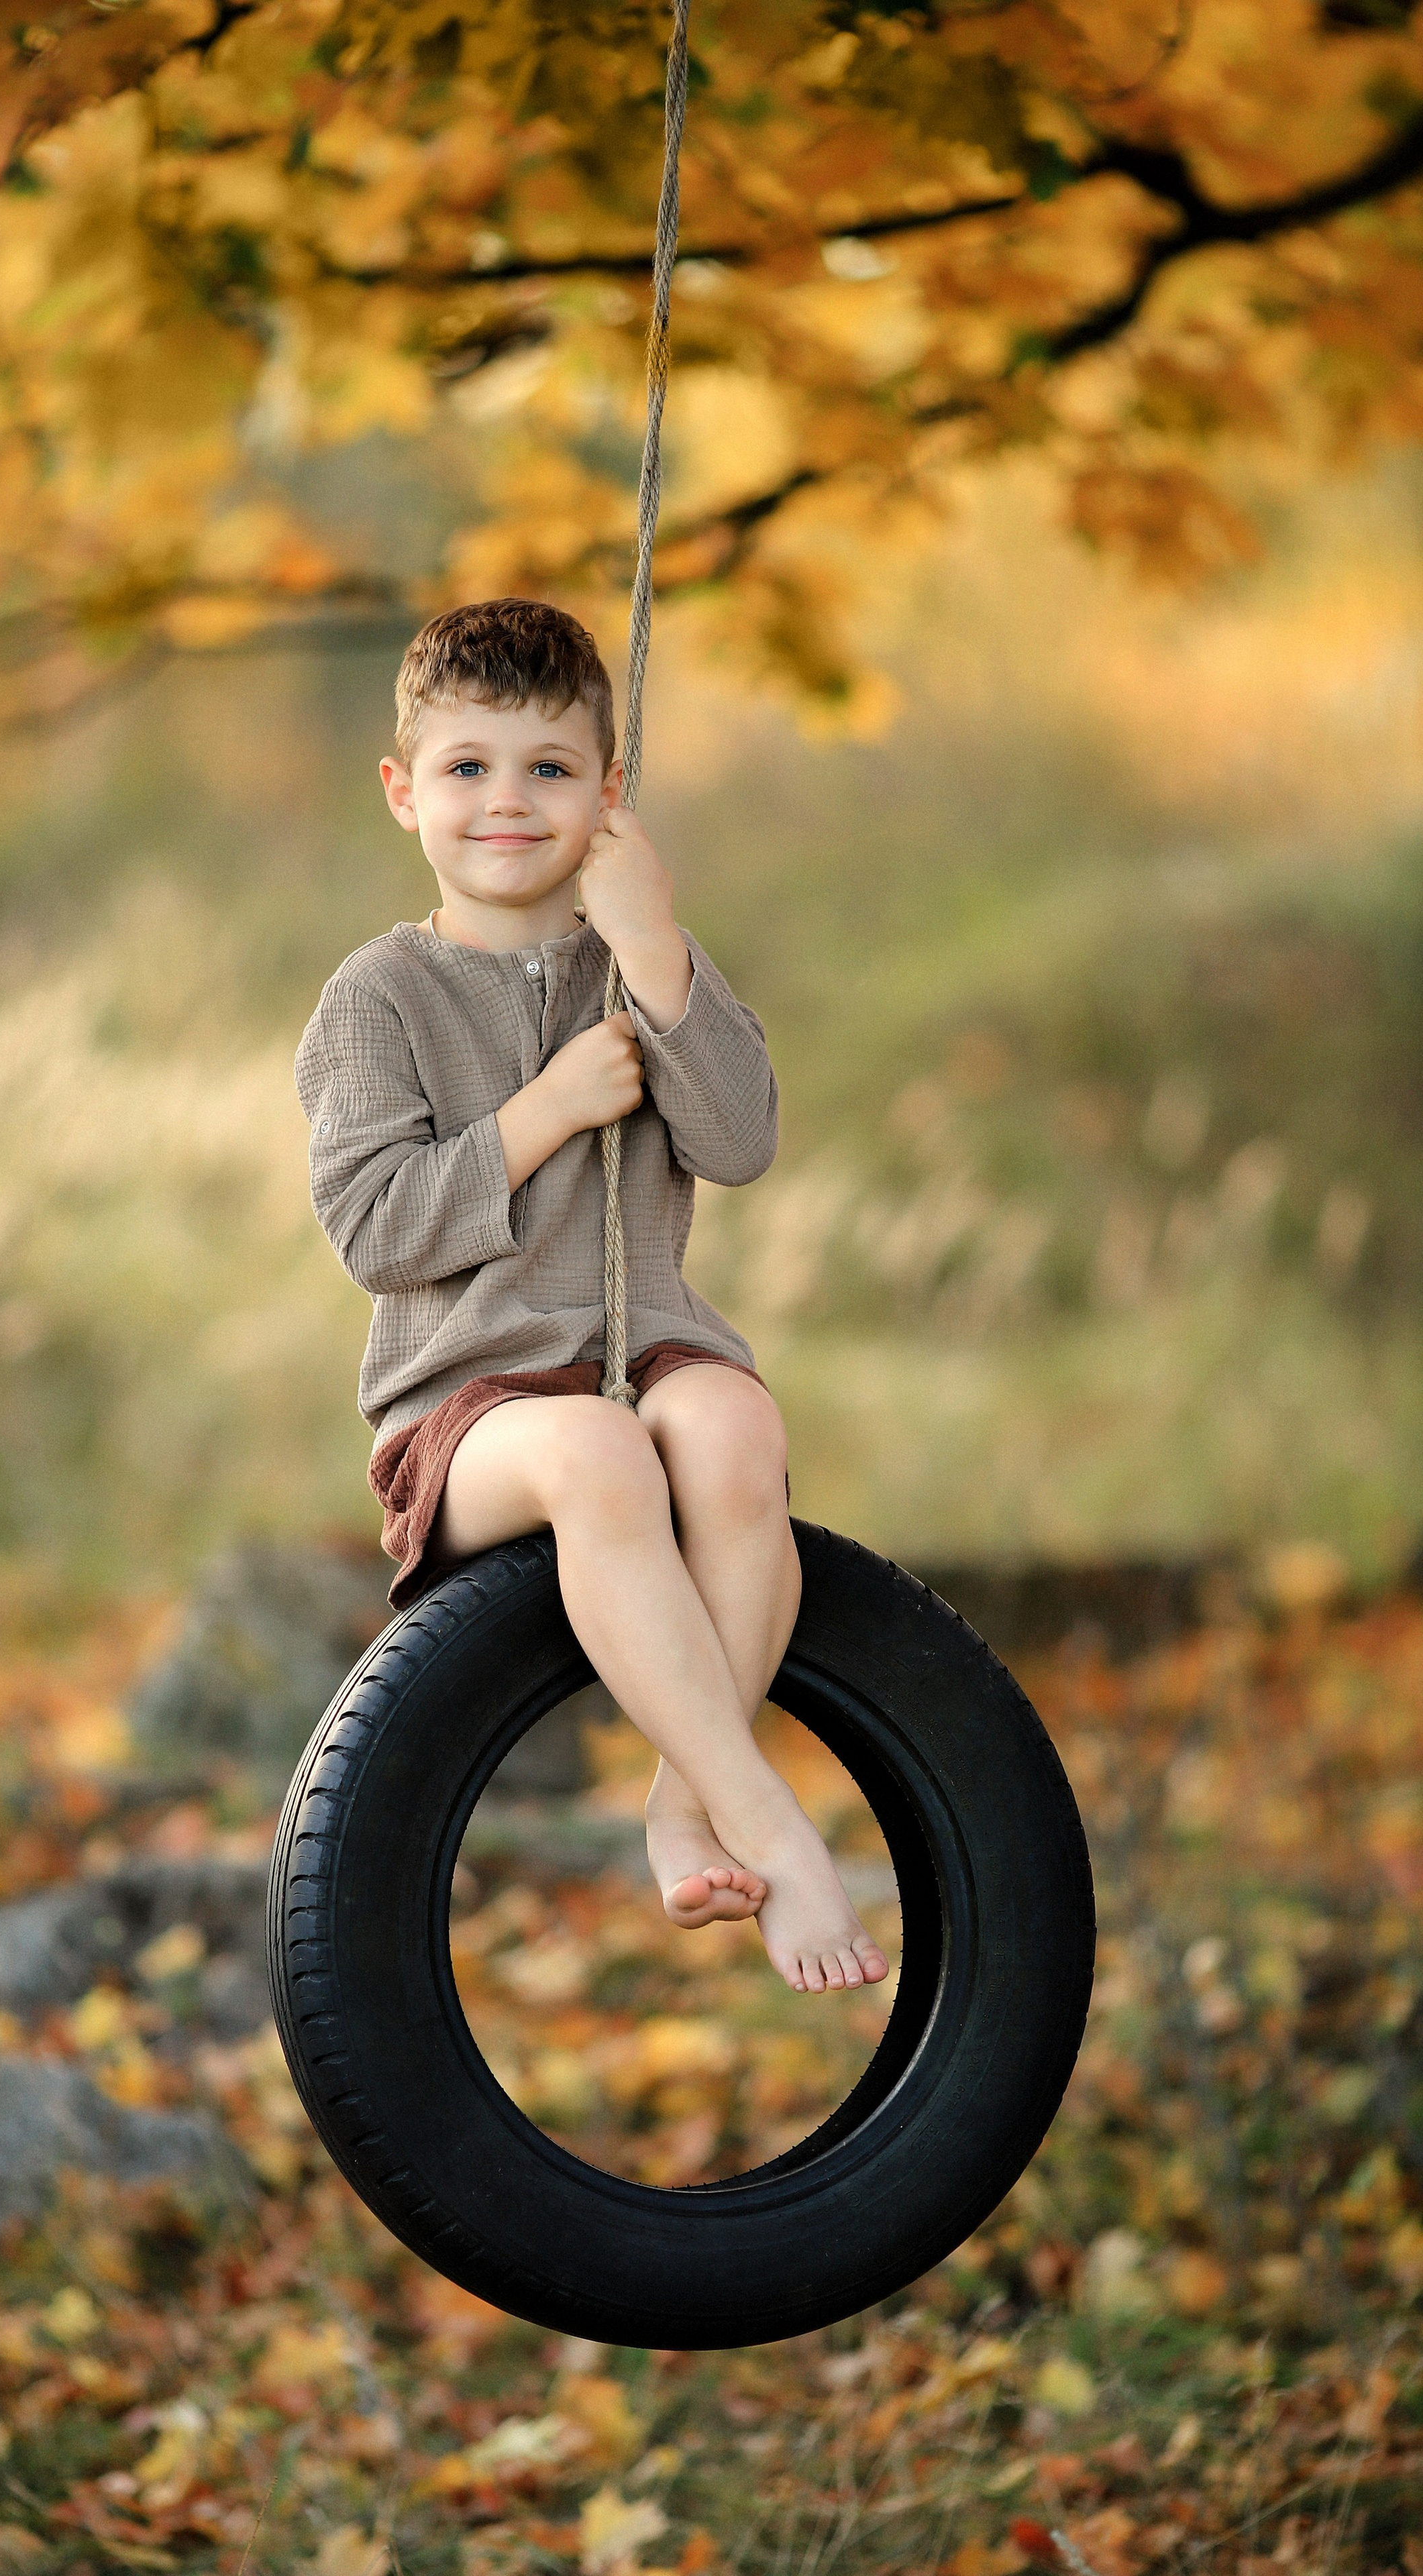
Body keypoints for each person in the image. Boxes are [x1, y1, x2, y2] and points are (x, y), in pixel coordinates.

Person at [295, 598, 888, 1997]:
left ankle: (687, 1799)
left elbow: (738, 1142)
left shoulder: (638, 955)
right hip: (475, 1403)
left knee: (735, 1432)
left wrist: (659, 948)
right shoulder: (376, 999)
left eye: (549, 770)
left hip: (648, 1350)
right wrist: (544, 1112)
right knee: (599, 1452)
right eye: (467, 769)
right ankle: (771, 1826)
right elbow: (376, 1230)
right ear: (403, 793)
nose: (508, 802)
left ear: (606, 795)